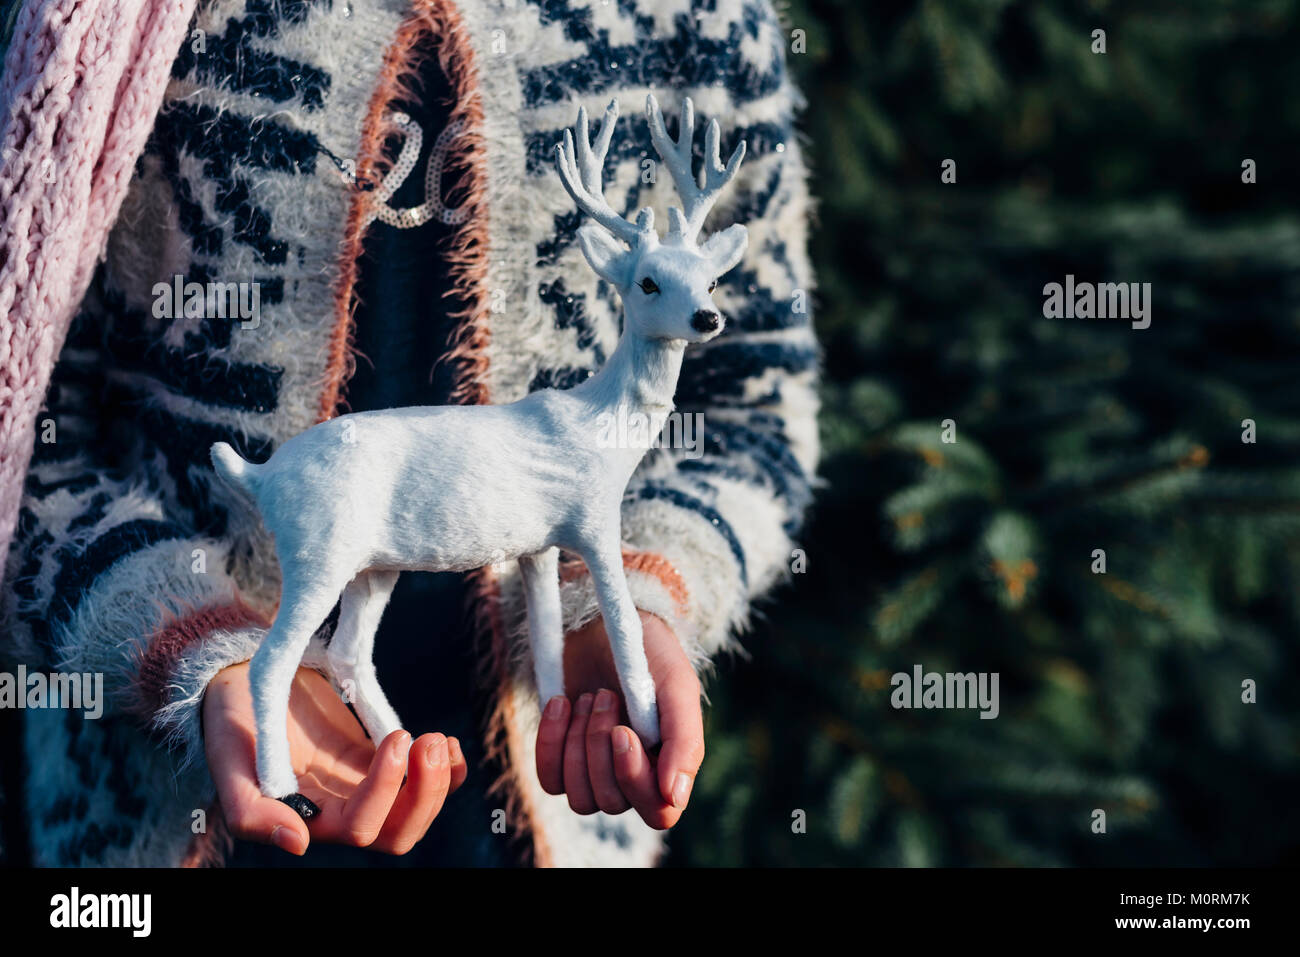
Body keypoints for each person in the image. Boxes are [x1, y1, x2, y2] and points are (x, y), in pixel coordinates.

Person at [0, 0, 818, 867]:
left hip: (545, 821)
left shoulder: (702, 17)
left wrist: (646, 600)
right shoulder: (86, 21)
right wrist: (184, 641)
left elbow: (752, 409)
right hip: (153, 813)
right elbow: (24, 436)